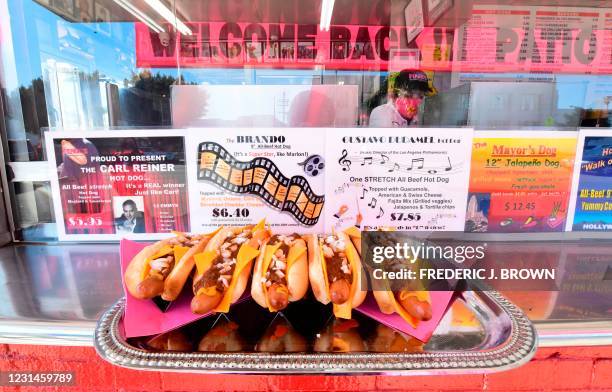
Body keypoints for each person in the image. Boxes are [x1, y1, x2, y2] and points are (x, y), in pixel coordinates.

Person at [369, 69, 435, 127]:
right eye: (408, 96)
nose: (414, 103)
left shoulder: (420, 117)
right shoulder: (382, 114)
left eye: (420, 96)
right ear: (395, 95)